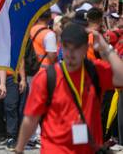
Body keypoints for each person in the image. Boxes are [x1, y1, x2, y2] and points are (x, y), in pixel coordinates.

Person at [15, 23, 123, 153]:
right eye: (66, 47)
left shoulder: (95, 71)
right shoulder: (47, 77)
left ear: (85, 48)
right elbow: (31, 118)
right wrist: (19, 149)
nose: (70, 53)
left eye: (76, 48)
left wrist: (105, 47)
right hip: (55, 150)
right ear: (60, 45)